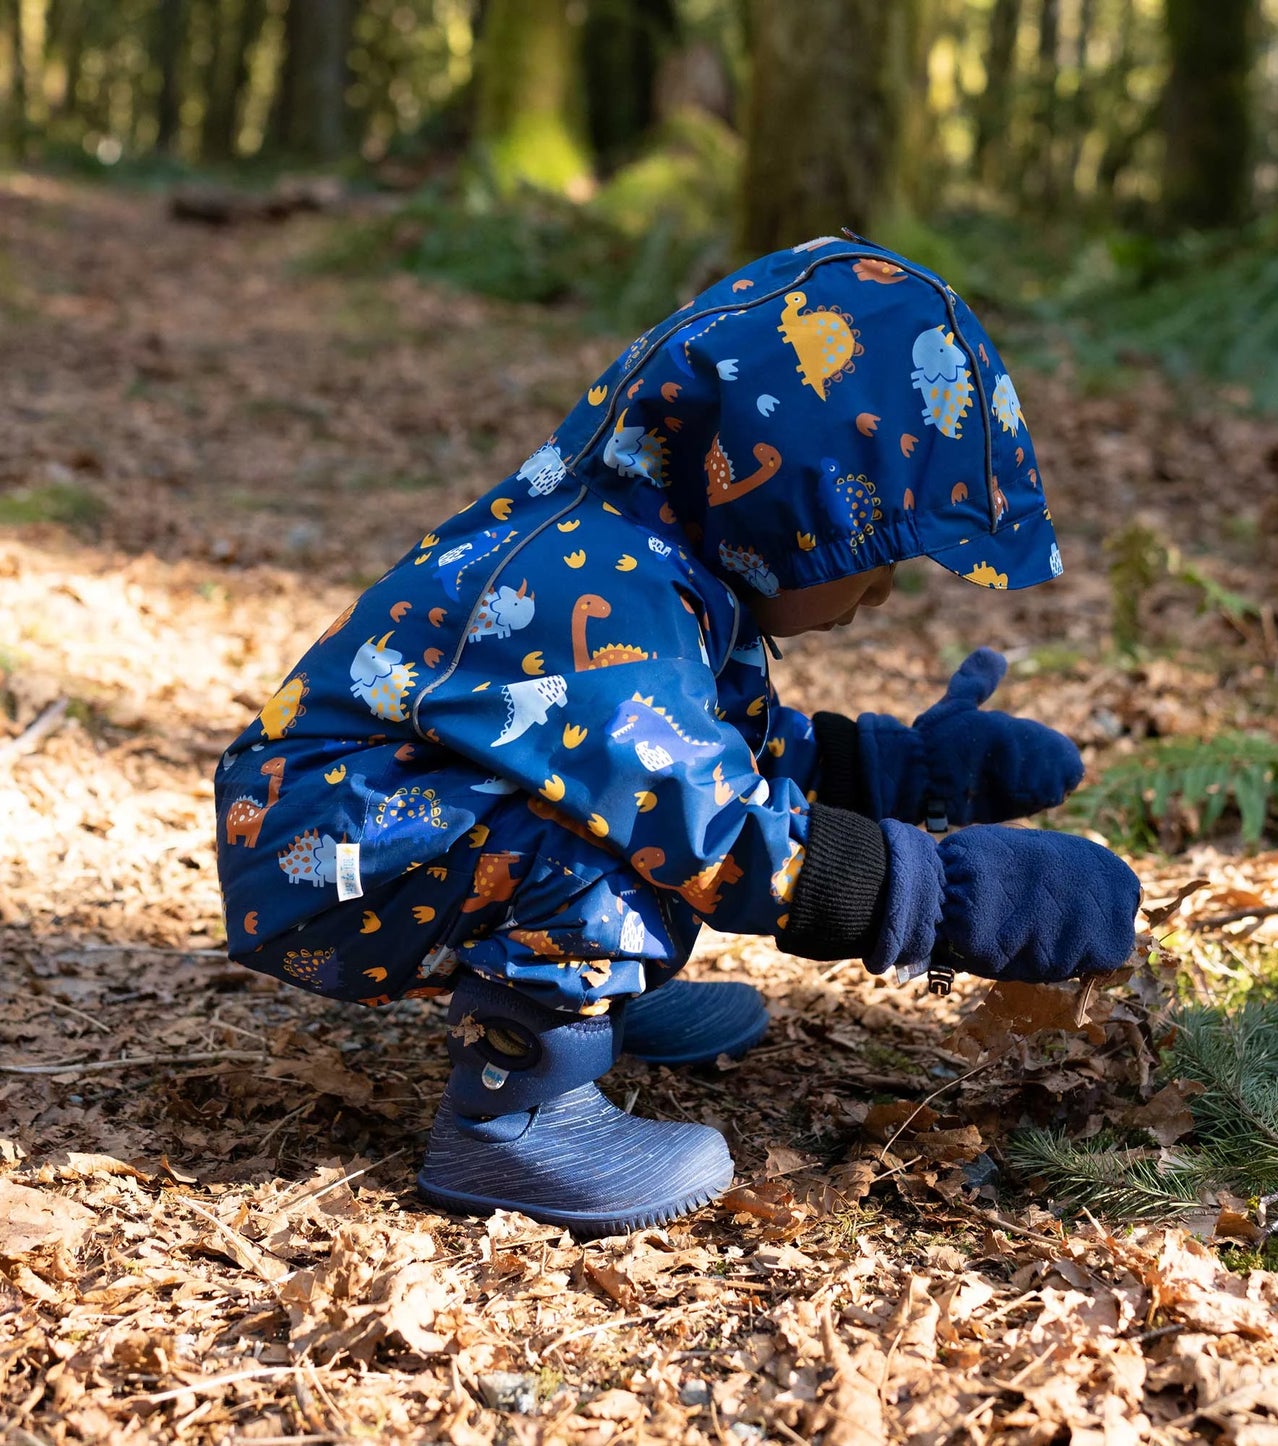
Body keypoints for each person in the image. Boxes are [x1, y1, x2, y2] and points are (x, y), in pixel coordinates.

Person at [214, 235, 1140, 1237]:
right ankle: (515, 1112)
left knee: (634, 797)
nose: (877, 591)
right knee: (626, 826)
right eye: (869, 551)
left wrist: (904, 771)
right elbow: (706, 824)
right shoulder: (597, 592)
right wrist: (945, 899)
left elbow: (732, 745)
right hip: (334, 853)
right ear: (785, 498)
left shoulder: (672, 567)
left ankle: (582, 1007)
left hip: (402, 819)